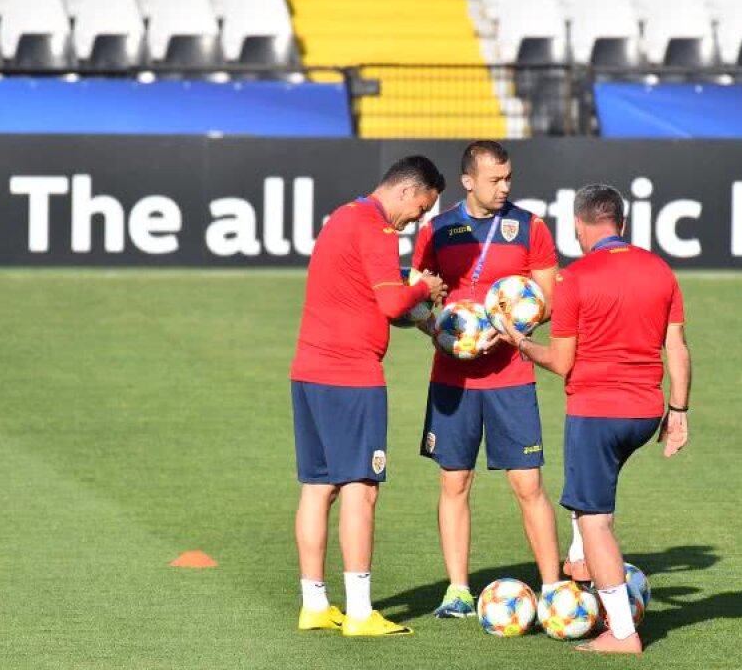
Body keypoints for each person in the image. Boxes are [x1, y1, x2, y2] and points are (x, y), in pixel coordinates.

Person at [498, 183, 692, 655]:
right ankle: (582, 560)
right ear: (622, 225)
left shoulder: (576, 278)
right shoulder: (660, 270)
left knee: (595, 519)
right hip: (645, 413)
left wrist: (519, 343)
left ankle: (622, 633)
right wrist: (679, 411)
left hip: (596, 413)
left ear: (579, 227)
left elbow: (562, 362)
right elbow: (677, 347)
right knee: (593, 498)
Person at [289, 156, 448, 637]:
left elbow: (367, 288)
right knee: (362, 488)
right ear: (404, 191)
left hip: (309, 371)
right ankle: (359, 612)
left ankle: (313, 604)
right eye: (421, 208)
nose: (418, 218)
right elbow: (393, 302)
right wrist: (425, 285)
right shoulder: (377, 230)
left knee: (318, 488)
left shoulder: (342, 216)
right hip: (350, 376)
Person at [411, 140, 562, 618]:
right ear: (468, 181)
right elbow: (414, 298)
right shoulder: (437, 229)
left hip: (510, 376)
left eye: (509, 178)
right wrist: (441, 330)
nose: (505, 187)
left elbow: (548, 297)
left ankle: (555, 588)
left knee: (527, 484)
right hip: (452, 378)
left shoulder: (530, 227)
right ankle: (457, 590)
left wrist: (512, 329)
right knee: (455, 481)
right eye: (495, 179)